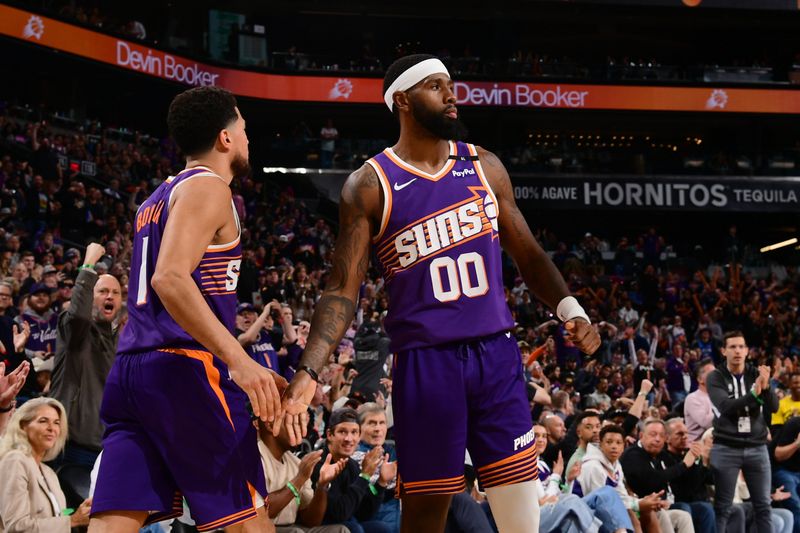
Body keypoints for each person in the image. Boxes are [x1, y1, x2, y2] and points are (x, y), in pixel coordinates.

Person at [280, 54, 601, 533]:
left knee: (521, 516)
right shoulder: (369, 185)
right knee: (427, 514)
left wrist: (569, 307)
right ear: (404, 101)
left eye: (450, 85)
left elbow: (529, 255)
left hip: (496, 355)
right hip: (428, 364)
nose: (451, 95)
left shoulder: (484, 166)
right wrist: (310, 369)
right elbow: (341, 290)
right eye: (436, 86)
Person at [89, 87, 297, 533]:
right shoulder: (209, 186)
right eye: (243, 127)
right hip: (183, 372)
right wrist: (240, 362)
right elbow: (170, 279)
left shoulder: (155, 199)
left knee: (113, 522)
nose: (247, 137)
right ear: (224, 138)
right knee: (244, 519)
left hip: (132, 372)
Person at [50, 243, 122, 467]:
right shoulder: (74, 329)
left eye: (115, 292)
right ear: (90, 296)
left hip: (104, 449)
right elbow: (79, 316)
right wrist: (89, 265)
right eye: (102, 291)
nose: (109, 296)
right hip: (68, 445)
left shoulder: (123, 341)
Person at [707, 330, 778, 533]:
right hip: (726, 447)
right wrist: (754, 394)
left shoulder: (756, 374)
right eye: (732, 347)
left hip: (757, 447)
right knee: (723, 508)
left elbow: (773, 407)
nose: (737, 351)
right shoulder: (715, 376)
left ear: (747, 351)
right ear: (724, 351)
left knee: (763, 506)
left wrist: (767, 386)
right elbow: (726, 406)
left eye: (741, 347)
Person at [0, 397, 92, 532]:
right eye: (43, 421)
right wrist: (72, 520)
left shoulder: (49, 472)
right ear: (22, 425)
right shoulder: (15, 460)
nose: (51, 428)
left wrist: (78, 513)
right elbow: (16, 526)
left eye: (56, 423)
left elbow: (56, 516)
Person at [256, 418, 349, 533]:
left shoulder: (296, 462)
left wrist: (322, 485)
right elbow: (261, 513)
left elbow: (310, 521)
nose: (302, 430)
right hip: (257, 528)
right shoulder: (250, 458)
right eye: (293, 422)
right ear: (270, 425)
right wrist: (299, 478)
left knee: (340, 530)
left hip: (291, 527)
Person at [310, 408, 394, 533]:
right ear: (329, 435)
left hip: (345, 522)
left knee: (382, 529)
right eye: (342, 432)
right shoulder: (319, 464)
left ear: (359, 436)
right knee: (355, 529)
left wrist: (381, 483)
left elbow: (363, 514)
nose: (349, 439)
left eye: (354, 432)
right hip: (319, 526)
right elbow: (339, 514)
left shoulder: (352, 465)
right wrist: (365, 475)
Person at [577, 424, 666, 533]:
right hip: (583, 517)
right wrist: (637, 505)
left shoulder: (615, 465)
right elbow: (600, 504)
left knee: (647, 512)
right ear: (600, 445)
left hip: (602, 513)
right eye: (609, 442)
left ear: (623, 446)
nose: (614, 446)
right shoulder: (592, 466)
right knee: (632, 516)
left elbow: (621, 496)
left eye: (618, 443)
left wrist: (644, 501)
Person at [773, 413, 800, 530]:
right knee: (796, 505)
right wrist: (797, 444)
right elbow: (778, 454)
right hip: (784, 470)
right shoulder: (794, 424)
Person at [684, 358, 715, 443]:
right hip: (697, 449)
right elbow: (706, 423)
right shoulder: (692, 398)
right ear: (700, 379)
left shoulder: (720, 395)